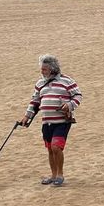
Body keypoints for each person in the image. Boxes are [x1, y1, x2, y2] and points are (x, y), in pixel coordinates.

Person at [20, 55, 83, 187]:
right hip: (46, 121)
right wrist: (27, 116)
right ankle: (53, 175)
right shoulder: (40, 83)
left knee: (56, 147)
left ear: (53, 69)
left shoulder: (67, 81)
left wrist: (70, 105)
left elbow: (78, 95)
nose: (42, 72)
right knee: (50, 149)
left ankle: (60, 175)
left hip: (62, 122)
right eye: (41, 69)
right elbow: (35, 101)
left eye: (44, 69)